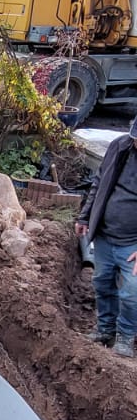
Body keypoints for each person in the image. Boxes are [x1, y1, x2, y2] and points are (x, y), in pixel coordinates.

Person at [75, 117, 137, 358]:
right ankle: (105, 330)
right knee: (102, 283)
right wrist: (84, 217)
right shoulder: (120, 146)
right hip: (104, 235)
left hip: (132, 243)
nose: (135, 143)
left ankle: (125, 336)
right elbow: (99, 183)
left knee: (131, 292)